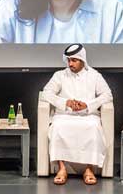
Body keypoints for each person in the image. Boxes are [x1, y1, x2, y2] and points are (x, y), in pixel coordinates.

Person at [42, 44, 113, 185]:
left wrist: (88, 105)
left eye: (74, 60)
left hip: (88, 115)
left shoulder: (94, 75)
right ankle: (62, 169)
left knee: (93, 127)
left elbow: (107, 95)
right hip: (64, 115)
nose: (70, 64)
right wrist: (65, 102)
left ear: (82, 60)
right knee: (57, 126)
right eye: (68, 60)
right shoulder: (60, 75)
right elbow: (46, 93)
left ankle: (89, 169)